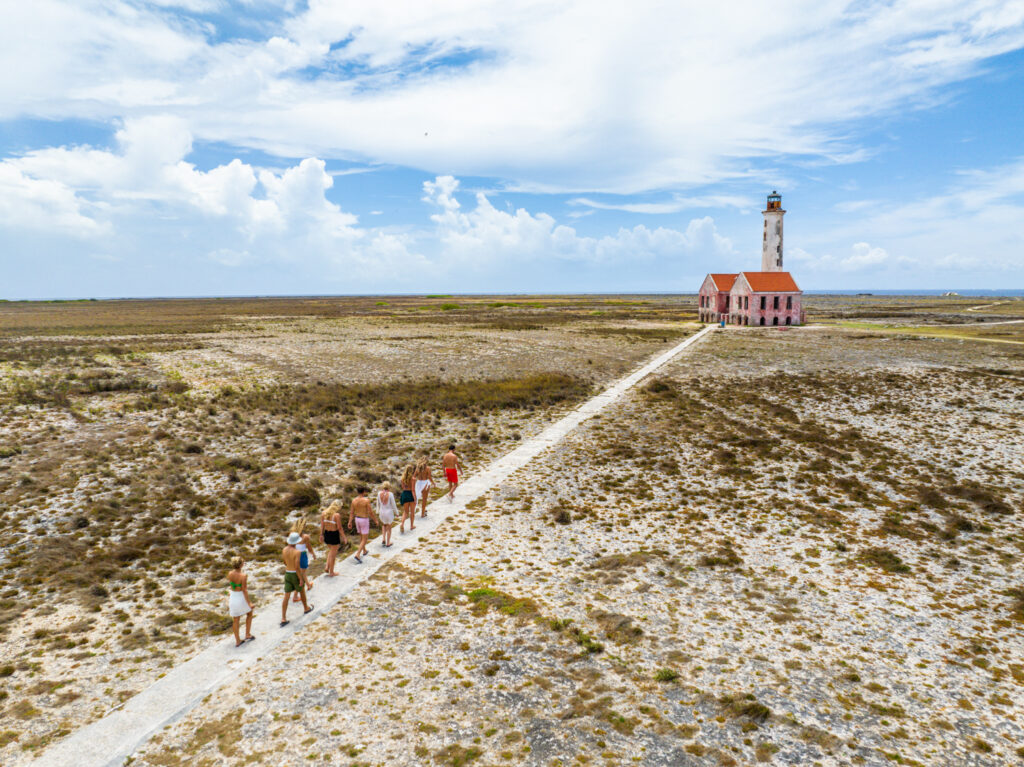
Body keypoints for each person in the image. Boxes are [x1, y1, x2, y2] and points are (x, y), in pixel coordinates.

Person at [281, 532, 312, 626]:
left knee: (286, 596)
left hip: (287, 573)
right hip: (295, 574)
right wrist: (301, 579)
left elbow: (285, 562)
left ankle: (283, 617)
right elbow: (297, 567)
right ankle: (306, 608)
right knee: (302, 591)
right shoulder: (297, 552)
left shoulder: (284, 550)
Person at [227, 556, 254, 647]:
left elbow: (231, 585)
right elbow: (244, 590)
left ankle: (238, 640)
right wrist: (249, 603)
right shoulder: (243, 576)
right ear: (241, 565)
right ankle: (247, 634)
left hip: (233, 596)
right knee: (249, 613)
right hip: (240, 597)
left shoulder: (230, 573)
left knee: (236, 619)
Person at [348, 487, 379, 563]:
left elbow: (351, 512)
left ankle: (364, 550)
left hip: (357, 519)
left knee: (361, 536)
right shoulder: (366, 500)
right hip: (364, 519)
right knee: (365, 538)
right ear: (364, 492)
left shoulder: (354, 501)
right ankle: (358, 554)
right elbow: (370, 512)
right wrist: (375, 520)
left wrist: (350, 522)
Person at [289, 517, 317, 602]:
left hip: (293, 556)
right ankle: (295, 596)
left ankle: (308, 585)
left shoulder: (291, 535)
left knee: (300, 573)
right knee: (301, 574)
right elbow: (309, 548)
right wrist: (313, 554)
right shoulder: (305, 537)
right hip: (302, 556)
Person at [319, 501, 346, 576]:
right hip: (334, 535)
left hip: (326, 534)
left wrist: (321, 535)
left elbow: (322, 526)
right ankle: (331, 572)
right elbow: (340, 528)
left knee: (331, 551)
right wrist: (344, 537)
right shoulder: (336, 515)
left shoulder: (323, 513)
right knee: (333, 555)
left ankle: (327, 567)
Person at [376, 482, 398, 548]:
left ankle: (383, 539)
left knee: (384, 525)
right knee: (389, 527)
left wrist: (377, 511)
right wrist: (396, 512)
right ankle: (388, 542)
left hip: (382, 512)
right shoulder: (390, 494)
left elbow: (378, 504)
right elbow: (393, 504)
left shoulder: (379, 493)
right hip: (388, 512)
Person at [399, 465, 417, 533]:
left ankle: (402, 524)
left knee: (405, 512)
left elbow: (403, 487)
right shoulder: (413, 479)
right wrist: (415, 499)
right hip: (410, 494)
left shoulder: (402, 479)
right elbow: (413, 490)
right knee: (412, 512)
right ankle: (411, 526)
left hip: (404, 494)